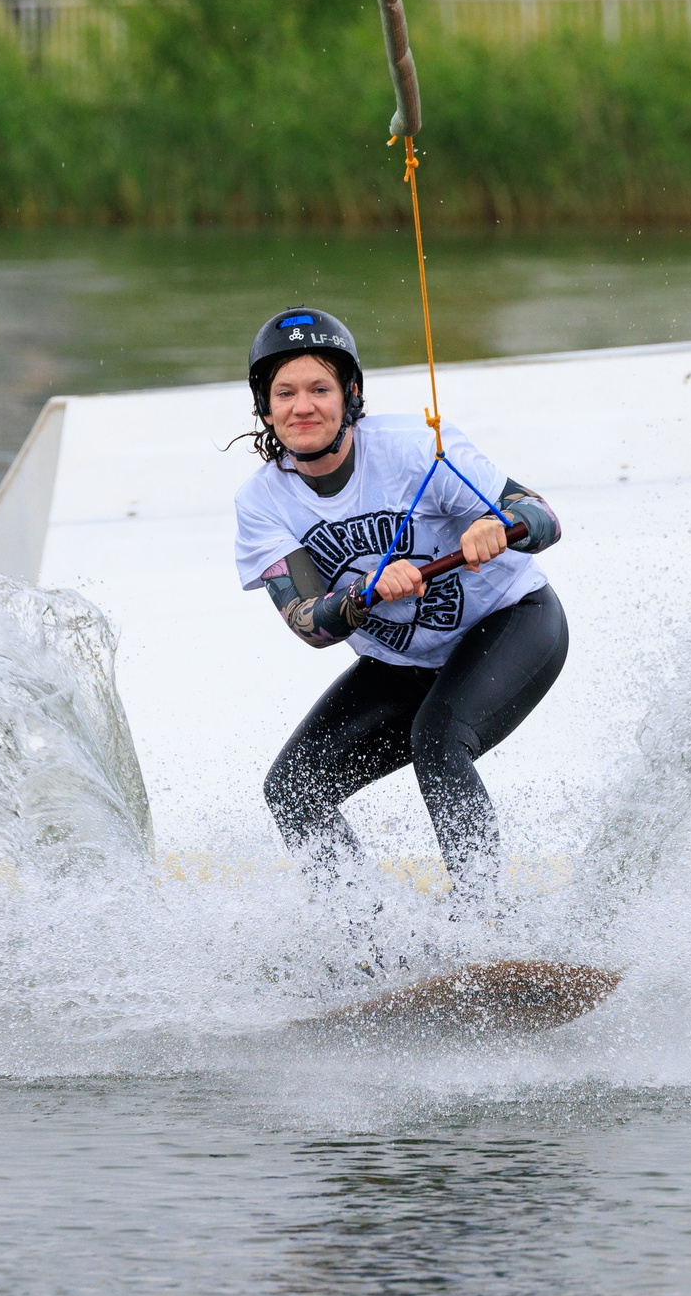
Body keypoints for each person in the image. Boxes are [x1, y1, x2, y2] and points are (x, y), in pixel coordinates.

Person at [232, 307, 567, 910]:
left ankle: (486, 929)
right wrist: (365, 592)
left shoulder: (415, 448)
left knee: (437, 741)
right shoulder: (262, 503)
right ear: (265, 407)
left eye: (319, 389)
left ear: (351, 396)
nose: (301, 407)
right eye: (284, 393)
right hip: (403, 663)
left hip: (511, 623)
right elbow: (309, 621)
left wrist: (498, 525)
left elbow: (543, 517)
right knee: (293, 790)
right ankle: (377, 947)